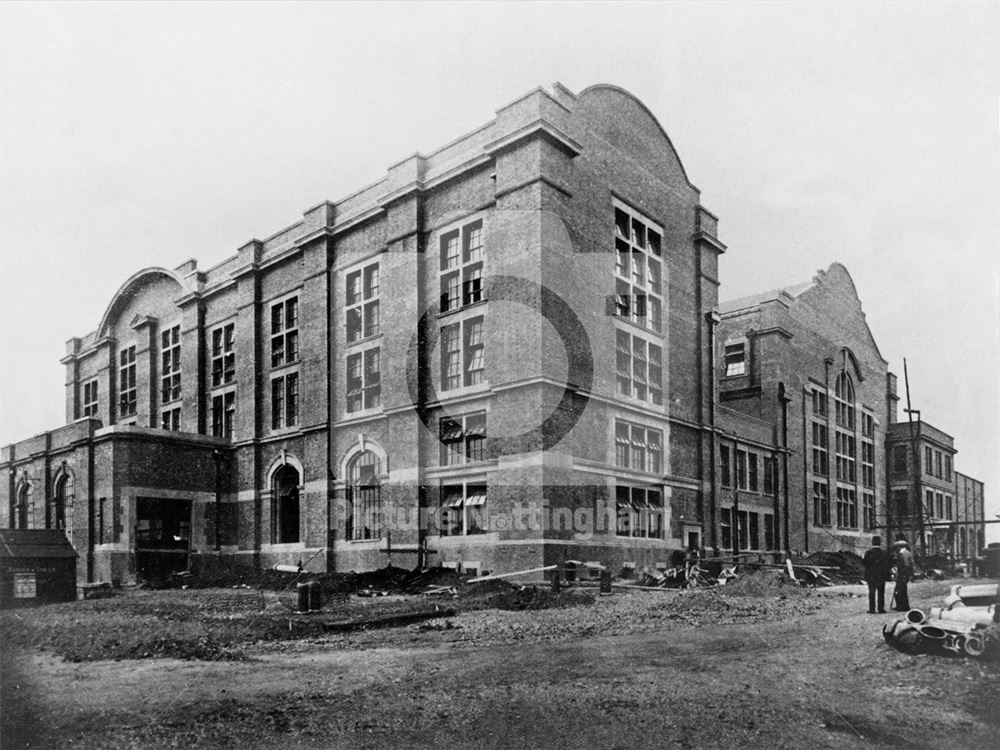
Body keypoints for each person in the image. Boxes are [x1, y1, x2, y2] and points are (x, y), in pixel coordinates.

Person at [862, 536, 890, 613]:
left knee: (871, 592)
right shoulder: (884, 553)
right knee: (881, 592)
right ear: (880, 543)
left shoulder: (868, 553)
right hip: (881, 576)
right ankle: (880, 609)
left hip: (871, 576)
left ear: (872, 543)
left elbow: (864, 564)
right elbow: (887, 564)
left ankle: (872, 609)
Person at [893, 538, 915, 611]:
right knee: (902, 590)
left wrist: (901, 575)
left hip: (903, 575)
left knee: (899, 590)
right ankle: (903, 606)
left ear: (899, 547)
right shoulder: (908, 553)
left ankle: (901, 606)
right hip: (905, 575)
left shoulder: (903, 554)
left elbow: (906, 565)